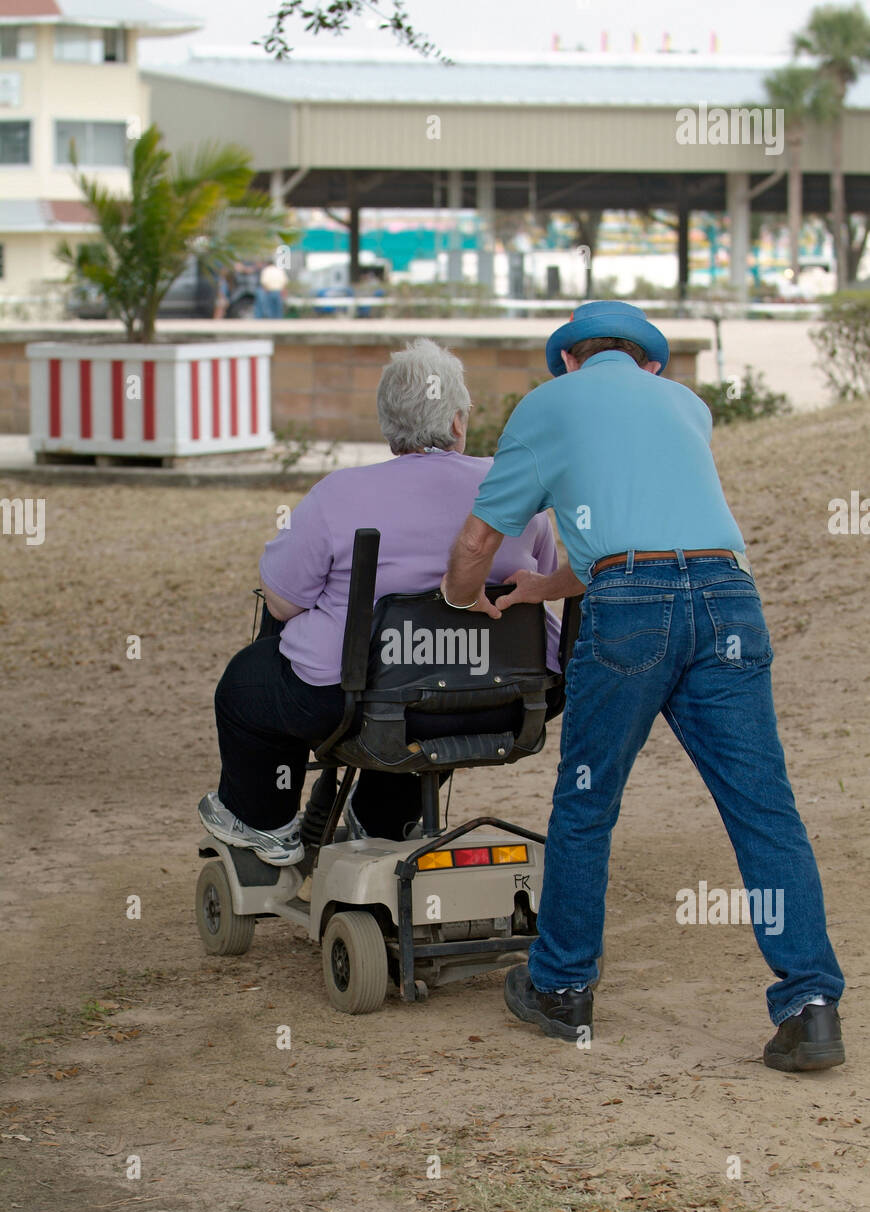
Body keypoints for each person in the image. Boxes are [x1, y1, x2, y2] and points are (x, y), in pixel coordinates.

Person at [443, 301, 845, 1073]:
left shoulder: (547, 404)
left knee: (588, 802)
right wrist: (545, 584)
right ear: (649, 364)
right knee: (764, 808)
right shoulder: (686, 406)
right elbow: (662, 541)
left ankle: (561, 987)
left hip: (629, 612)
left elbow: (475, 542)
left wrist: (468, 598)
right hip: (728, 598)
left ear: (569, 359)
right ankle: (811, 1003)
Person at [199, 337, 561, 866]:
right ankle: (384, 821)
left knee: (249, 684)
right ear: (459, 422)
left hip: (357, 699)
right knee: (427, 684)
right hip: (504, 697)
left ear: (388, 423)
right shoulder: (515, 489)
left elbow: (280, 604)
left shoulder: (339, 495)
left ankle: (267, 825)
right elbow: (542, 583)